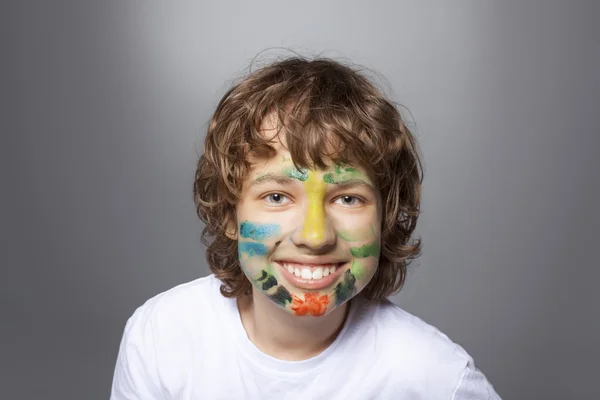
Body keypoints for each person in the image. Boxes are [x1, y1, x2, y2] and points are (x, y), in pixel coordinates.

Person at [110, 56, 501, 399]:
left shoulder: (435, 378)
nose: (314, 236)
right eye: (277, 197)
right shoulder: (162, 336)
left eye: (348, 199)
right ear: (230, 214)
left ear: (384, 218)